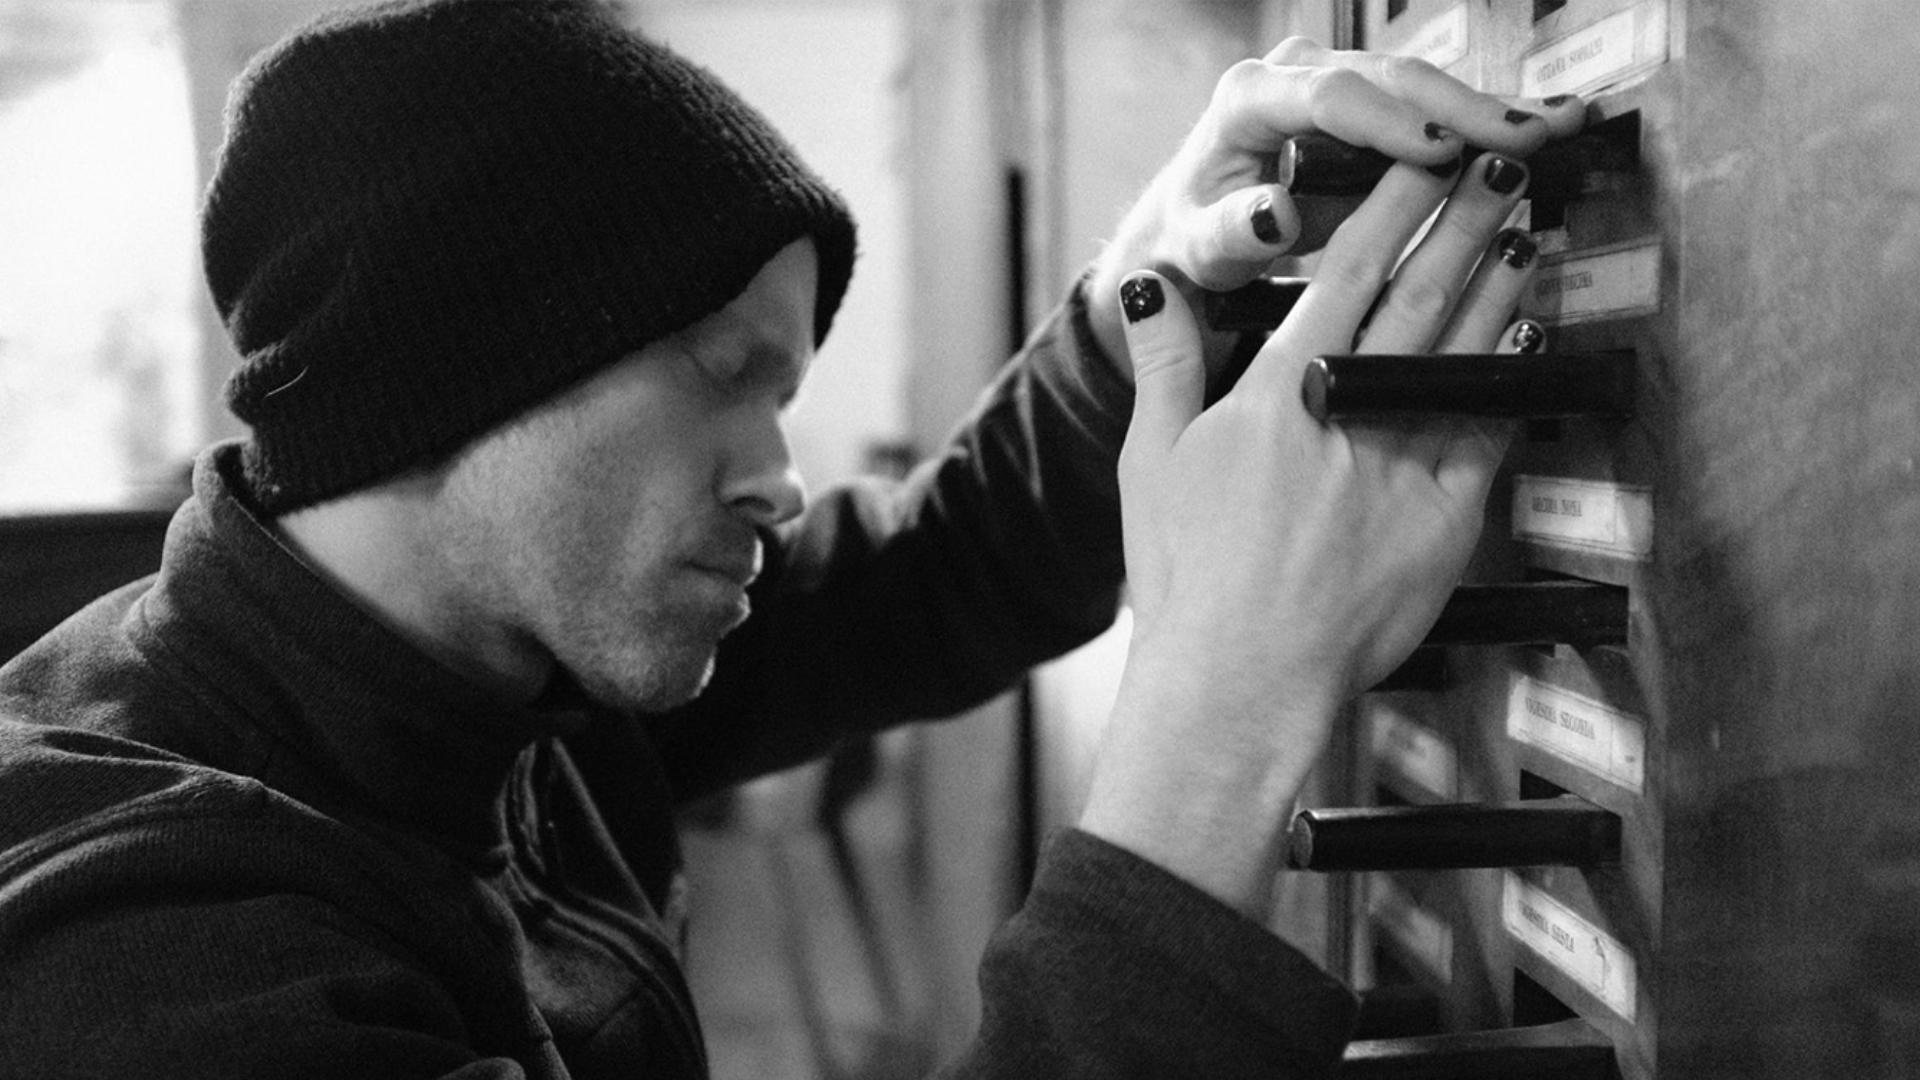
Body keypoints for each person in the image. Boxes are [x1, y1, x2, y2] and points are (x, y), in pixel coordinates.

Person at [0, 1, 1581, 1076]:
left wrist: (1150, 293)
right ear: (449, 368)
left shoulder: (493, 648)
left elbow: (932, 573)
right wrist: (1222, 718)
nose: (780, 479)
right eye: (722, 376)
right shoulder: (137, 950)